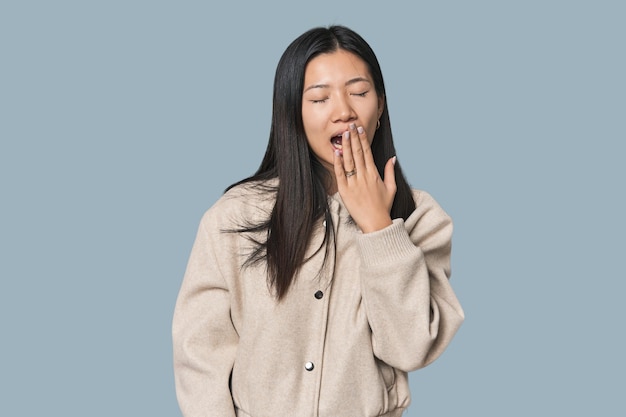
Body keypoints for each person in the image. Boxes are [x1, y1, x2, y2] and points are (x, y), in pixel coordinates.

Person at [172, 25, 464, 417]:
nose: (343, 111)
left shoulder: (420, 217)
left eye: (359, 93)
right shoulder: (235, 216)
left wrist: (379, 228)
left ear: (380, 105)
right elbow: (200, 355)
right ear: (293, 111)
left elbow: (411, 348)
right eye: (320, 98)